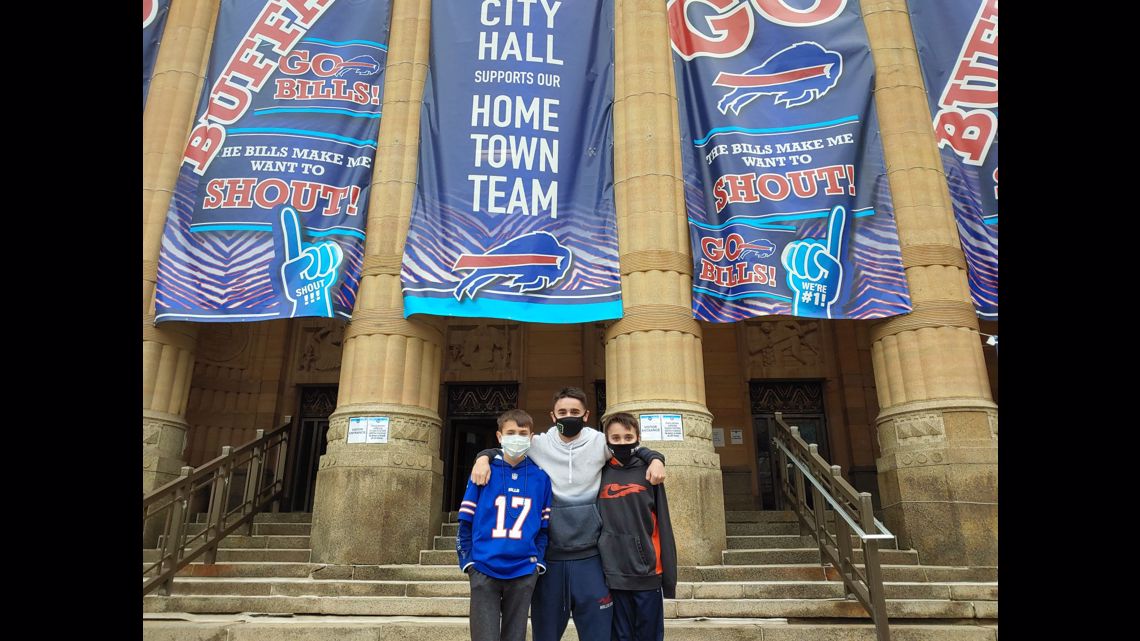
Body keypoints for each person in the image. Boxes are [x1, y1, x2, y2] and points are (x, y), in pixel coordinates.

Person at [469, 387, 666, 641]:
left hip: (591, 556)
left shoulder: (599, 442)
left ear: (586, 415)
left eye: (575, 411)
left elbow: (631, 446)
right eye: (562, 412)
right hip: (551, 558)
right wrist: (482, 458)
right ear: (553, 416)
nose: (568, 416)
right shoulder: (538, 444)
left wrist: (657, 459)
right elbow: (507, 449)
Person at [457, 409, 553, 641]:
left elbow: (543, 529)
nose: (517, 437)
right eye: (511, 432)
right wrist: (469, 562)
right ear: (499, 437)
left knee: (515, 636)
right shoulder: (483, 472)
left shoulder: (541, 477)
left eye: (523, 433)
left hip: (523, 570)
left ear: (531, 438)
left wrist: (536, 563)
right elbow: (465, 524)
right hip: (484, 568)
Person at [596, 412, 677, 641]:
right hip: (611, 574)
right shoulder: (599, 472)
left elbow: (663, 524)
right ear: (607, 440)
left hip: (646, 573)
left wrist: (668, 579)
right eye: (616, 437)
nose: (622, 442)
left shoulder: (650, 472)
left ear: (638, 437)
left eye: (628, 436)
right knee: (619, 637)